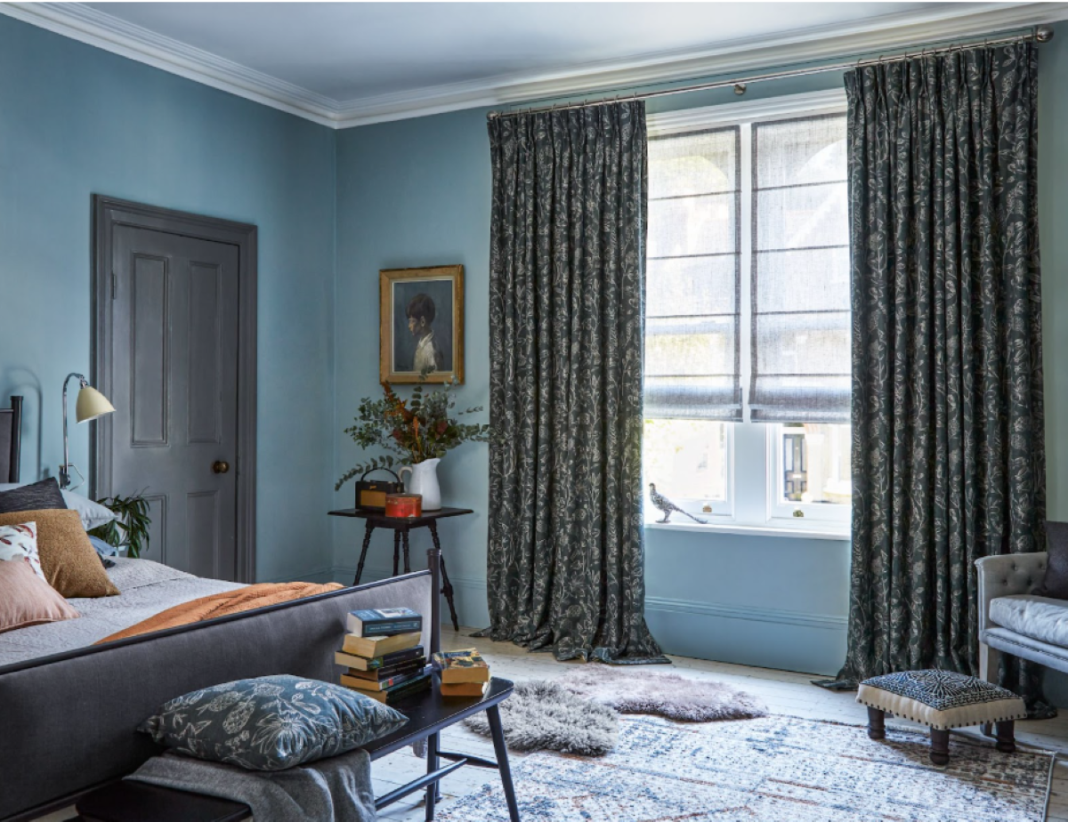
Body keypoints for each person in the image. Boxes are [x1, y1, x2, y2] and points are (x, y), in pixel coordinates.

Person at [406, 292, 444, 373]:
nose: (409, 326)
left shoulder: (431, 350)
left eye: (412, 321)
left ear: (422, 321)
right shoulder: (421, 343)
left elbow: (435, 381)